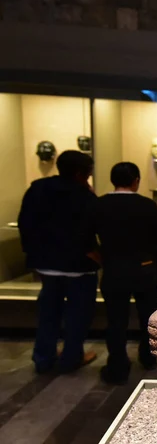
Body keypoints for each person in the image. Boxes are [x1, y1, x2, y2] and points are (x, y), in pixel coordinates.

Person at [18, 150, 99, 374]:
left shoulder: (38, 188)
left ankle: (43, 358)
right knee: (77, 315)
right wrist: (95, 254)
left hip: (46, 263)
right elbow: (89, 231)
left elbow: (25, 223)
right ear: (80, 173)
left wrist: (33, 254)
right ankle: (71, 357)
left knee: (48, 313)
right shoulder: (84, 196)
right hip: (78, 266)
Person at [91, 162, 157, 384]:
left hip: (114, 270)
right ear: (136, 180)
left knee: (115, 320)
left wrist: (102, 258)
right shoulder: (146, 205)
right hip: (145, 269)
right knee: (148, 317)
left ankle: (117, 366)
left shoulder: (99, 205)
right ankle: (148, 358)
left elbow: (86, 238)